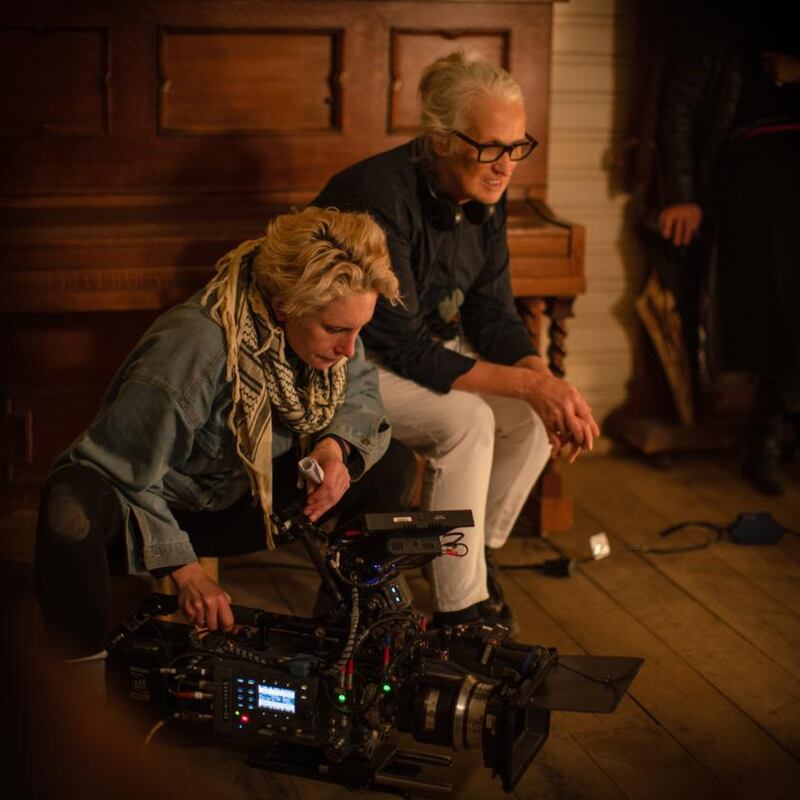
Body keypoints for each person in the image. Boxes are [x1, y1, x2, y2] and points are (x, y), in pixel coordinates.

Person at [34, 207, 416, 681]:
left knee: (391, 463)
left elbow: (359, 389)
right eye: (336, 331)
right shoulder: (196, 349)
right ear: (283, 306)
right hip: (155, 511)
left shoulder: (332, 326)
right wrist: (187, 571)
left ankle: (348, 641)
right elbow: (119, 472)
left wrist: (334, 448)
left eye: (359, 329)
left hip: (239, 498)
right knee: (70, 506)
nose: (349, 348)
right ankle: (79, 691)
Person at [312, 52, 599, 628]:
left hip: (417, 353)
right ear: (441, 139)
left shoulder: (486, 192)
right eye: (490, 147)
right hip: (351, 363)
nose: (506, 165)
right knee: (468, 420)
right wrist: (531, 384)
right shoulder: (377, 194)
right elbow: (403, 347)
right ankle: (458, 610)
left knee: (529, 416)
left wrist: (542, 382)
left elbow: (492, 311)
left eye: (518, 146)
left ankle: (472, 555)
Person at [655, 2, 800, 494]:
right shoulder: (718, 18)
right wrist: (682, 195)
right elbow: (680, 105)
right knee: (783, 293)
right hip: (754, 164)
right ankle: (768, 435)